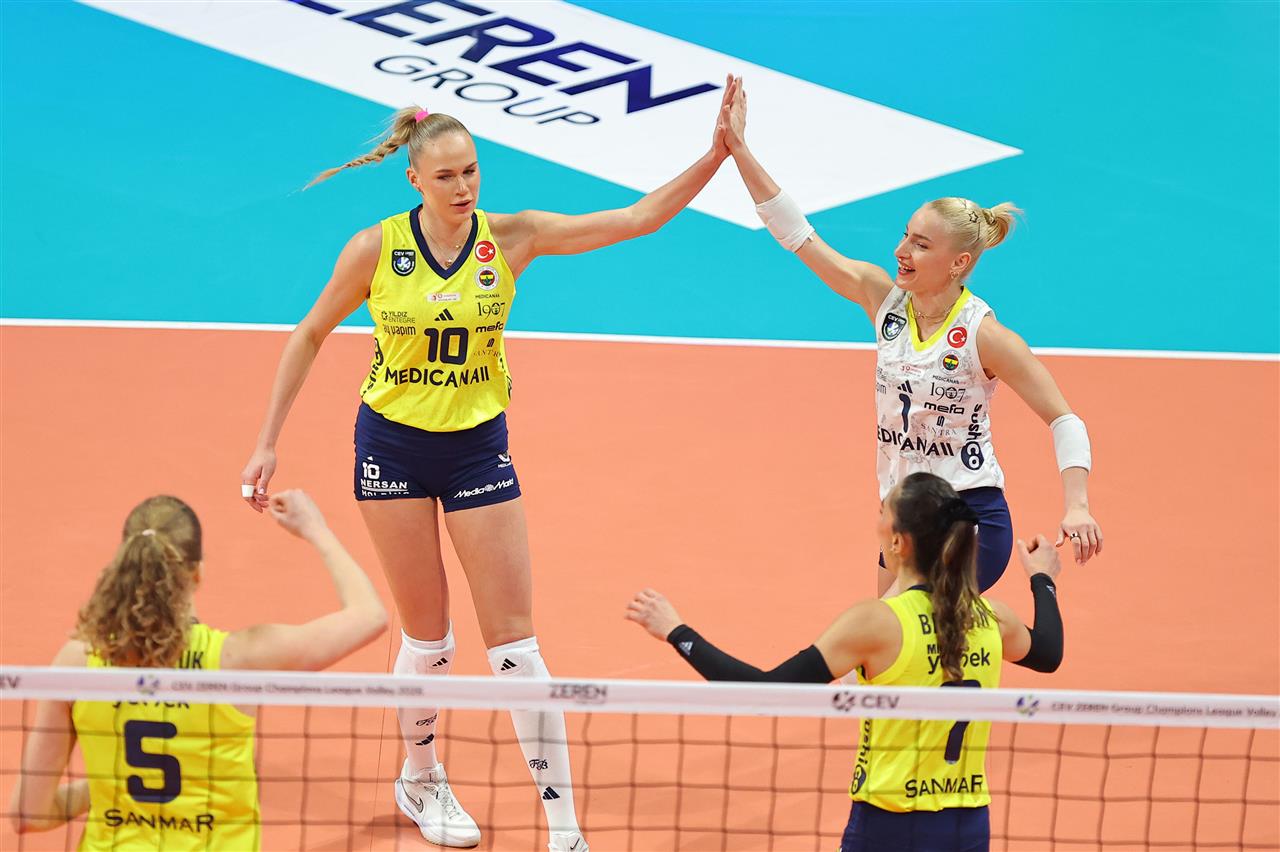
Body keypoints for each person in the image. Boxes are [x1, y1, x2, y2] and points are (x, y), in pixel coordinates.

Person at [239, 77, 742, 851]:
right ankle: (420, 778)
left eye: (471, 170)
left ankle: (564, 830)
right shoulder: (375, 249)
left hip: (476, 448)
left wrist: (717, 154)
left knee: (515, 650)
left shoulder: (512, 239)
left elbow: (637, 218)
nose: (463, 187)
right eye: (445, 175)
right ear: (414, 179)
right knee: (431, 641)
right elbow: (309, 333)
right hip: (392, 449)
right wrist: (267, 439)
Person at [720, 82, 1100, 594]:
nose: (901, 250)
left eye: (921, 245)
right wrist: (740, 151)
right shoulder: (882, 300)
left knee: (910, 627)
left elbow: (1064, 419)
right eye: (905, 235)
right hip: (903, 515)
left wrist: (1077, 504)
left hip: (967, 516)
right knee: (892, 641)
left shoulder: (984, 337)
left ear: (958, 262)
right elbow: (799, 236)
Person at [626, 471, 1065, 852]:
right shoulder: (992, 619)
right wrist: (1042, 578)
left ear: (898, 541)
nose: (877, 519)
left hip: (888, 825)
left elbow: (763, 693)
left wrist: (677, 632)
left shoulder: (876, 623)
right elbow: (1048, 653)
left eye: (883, 512)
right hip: (967, 827)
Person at [9, 491, 387, 850]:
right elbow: (369, 616)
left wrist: (104, 787)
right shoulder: (236, 661)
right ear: (197, 573)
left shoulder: (78, 662)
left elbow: (29, 813)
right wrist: (316, 529)